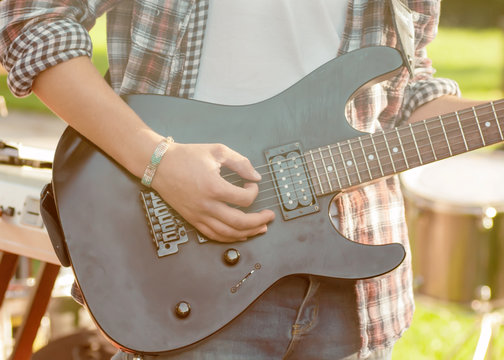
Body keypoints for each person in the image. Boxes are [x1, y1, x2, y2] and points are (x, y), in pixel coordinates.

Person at [0, 1, 489, 359]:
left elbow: (401, 85)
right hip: (185, 271)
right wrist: (158, 161)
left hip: (354, 290)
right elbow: (31, 21)